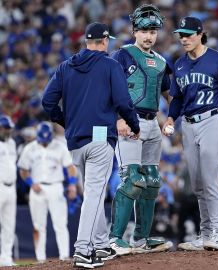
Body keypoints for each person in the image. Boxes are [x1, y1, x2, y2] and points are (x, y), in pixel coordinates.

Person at [42, 22, 140, 269]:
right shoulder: (110, 65)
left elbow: (47, 101)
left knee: (92, 195)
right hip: (98, 139)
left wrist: (66, 122)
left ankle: (99, 244)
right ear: (105, 40)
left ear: (87, 41)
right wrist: (134, 125)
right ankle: (83, 250)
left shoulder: (66, 66)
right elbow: (123, 101)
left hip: (75, 142)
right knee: (95, 195)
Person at [163, 16, 218, 251]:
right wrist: (171, 117)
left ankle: (217, 235)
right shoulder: (179, 64)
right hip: (188, 125)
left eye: (188, 34)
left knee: (210, 181)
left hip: (212, 119)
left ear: (200, 34)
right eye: (181, 34)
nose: (183, 38)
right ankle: (206, 233)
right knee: (198, 184)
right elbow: (177, 98)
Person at [108, 4, 173, 255]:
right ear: (134, 30)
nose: (149, 36)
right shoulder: (122, 55)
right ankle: (115, 239)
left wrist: (172, 118)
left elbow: (169, 94)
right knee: (132, 179)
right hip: (130, 121)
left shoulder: (160, 61)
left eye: (153, 31)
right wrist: (119, 119)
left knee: (152, 181)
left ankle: (141, 239)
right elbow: (111, 89)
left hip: (153, 124)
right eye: (145, 31)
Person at [17, 122, 77, 263]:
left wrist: (73, 185)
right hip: (37, 189)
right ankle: (41, 259)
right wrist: (31, 183)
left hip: (56, 186)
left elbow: (70, 167)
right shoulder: (29, 148)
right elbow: (23, 170)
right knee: (38, 226)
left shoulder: (60, 146)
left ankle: (64, 256)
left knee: (60, 224)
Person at [0, 115, 17, 267]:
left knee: (9, 224)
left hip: (11, 188)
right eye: (6, 128)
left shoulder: (11, 143)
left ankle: (6, 257)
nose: (8, 131)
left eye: (9, 128)